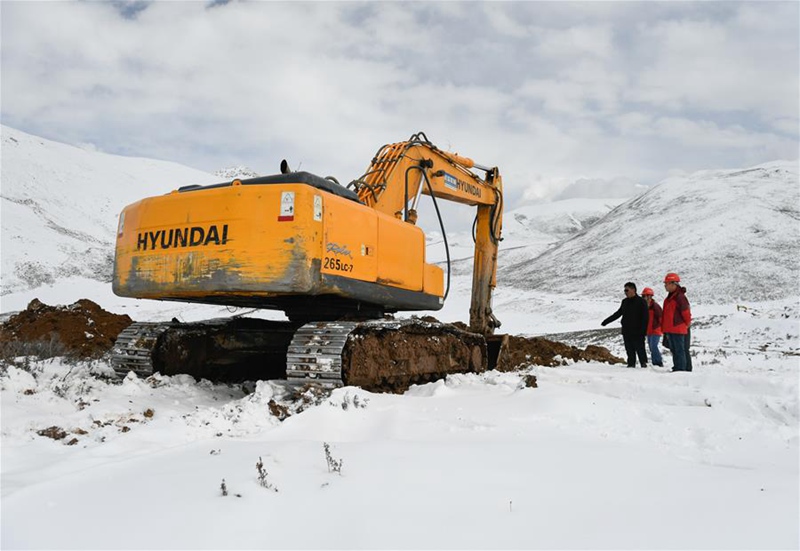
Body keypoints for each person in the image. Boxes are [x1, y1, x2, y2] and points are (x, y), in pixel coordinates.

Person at [601, 282, 649, 367]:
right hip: (627, 331)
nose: (625, 292)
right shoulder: (625, 302)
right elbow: (618, 313)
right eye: (624, 290)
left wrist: (643, 331)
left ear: (633, 290)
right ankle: (631, 366)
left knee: (640, 350)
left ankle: (644, 366)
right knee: (629, 351)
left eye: (627, 290)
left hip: (638, 332)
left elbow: (645, 318)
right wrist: (606, 321)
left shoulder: (641, 302)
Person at [662, 272, 692, 372]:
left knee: (679, 350)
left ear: (673, 284)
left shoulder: (680, 297)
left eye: (666, 283)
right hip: (671, 329)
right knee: (675, 350)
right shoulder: (671, 297)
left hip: (678, 329)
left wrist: (687, 324)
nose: (665, 286)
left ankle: (681, 369)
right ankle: (679, 368)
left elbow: (686, 312)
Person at [641, 287, 663, 367]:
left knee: (654, 346)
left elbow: (661, 318)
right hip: (649, 331)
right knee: (651, 347)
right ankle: (655, 362)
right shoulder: (644, 307)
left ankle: (658, 362)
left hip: (656, 330)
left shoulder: (655, 306)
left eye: (646, 296)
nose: (645, 298)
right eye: (643, 296)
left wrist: (662, 328)